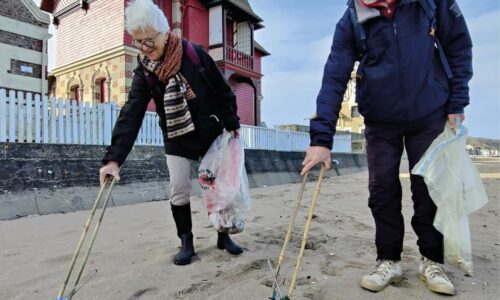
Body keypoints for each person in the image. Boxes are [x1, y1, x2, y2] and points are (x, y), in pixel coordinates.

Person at [301, 0, 472, 295]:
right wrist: (320, 140)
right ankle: (389, 259)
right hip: (380, 121)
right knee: (382, 190)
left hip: (429, 113)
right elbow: (334, 77)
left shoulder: (431, 3)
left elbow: (458, 45)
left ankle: (432, 260)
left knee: (428, 189)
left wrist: (457, 102)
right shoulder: (352, 19)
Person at [99, 0, 244, 266]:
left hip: (210, 132)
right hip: (177, 137)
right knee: (179, 188)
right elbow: (132, 113)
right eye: (138, 41)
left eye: (149, 41)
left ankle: (224, 236)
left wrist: (232, 121)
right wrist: (113, 159)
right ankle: (186, 241)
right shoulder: (145, 72)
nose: (144, 48)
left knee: (221, 188)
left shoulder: (194, 54)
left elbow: (223, 91)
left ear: (165, 33)